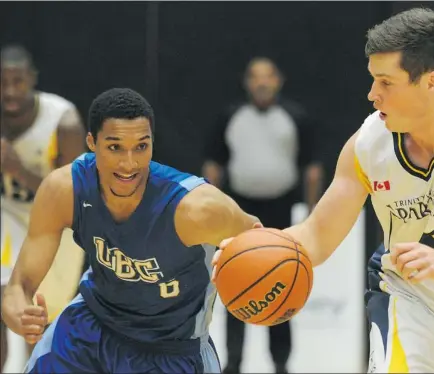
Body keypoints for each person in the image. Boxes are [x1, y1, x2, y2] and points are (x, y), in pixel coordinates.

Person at [213, 8, 434, 373]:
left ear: (432, 82)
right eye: (372, 81)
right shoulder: (368, 145)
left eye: (386, 82)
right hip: (411, 306)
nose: (372, 95)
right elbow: (317, 236)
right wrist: (250, 251)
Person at [1, 87, 261, 374]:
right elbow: (19, 286)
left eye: (141, 146)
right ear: (92, 142)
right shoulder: (65, 189)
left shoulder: (198, 209)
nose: (129, 163)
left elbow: (264, 244)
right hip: (88, 332)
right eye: (115, 147)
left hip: (171, 349)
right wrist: (19, 314)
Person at [203, 56, 323, 374]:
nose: (262, 82)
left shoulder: (295, 117)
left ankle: (281, 364)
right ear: (247, 82)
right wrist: (214, 208)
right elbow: (213, 166)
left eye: (268, 76)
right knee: (235, 284)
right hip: (238, 211)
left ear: (279, 80)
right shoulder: (230, 116)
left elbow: (311, 168)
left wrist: (311, 214)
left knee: (283, 285)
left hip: (280, 210)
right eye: (255, 77)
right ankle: (233, 364)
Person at [0, 44, 86, 371]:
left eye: (18, 81)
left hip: (52, 225)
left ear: (32, 80)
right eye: (2, 81)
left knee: (39, 321)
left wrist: (17, 168)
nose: (9, 90)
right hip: (6, 216)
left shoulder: (63, 121)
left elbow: (72, 194)